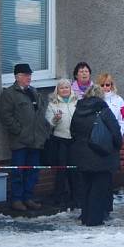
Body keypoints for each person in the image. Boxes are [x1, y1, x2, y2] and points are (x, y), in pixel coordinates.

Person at [0, 63, 51, 212]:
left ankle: (28, 197)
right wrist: (19, 131)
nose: (29, 78)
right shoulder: (9, 94)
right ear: (18, 77)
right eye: (26, 75)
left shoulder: (34, 92)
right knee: (18, 171)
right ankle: (16, 199)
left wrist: (44, 131)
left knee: (33, 171)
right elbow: (5, 116)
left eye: (30, 75)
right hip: (20, 141)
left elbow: (40, 114)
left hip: (36, 140)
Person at [69, 85, 123, 226]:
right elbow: (116, 133)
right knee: (98, 189)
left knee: (86, 188)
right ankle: (94, 220)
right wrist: (116, 147)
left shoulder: (78, 110)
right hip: (102, 157)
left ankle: (85, 217)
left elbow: (72, 132)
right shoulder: (103, 110)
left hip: (82, 157)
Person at [98, 73, 124, 218]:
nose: (105, 87)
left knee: (109, 176)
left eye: (108, 84)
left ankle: (107, 207)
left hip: (112, 143)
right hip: (97, 143)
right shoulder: (96, 100)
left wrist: (118, 135)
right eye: (103, 85)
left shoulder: (119, 100)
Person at [45, 78, 79, 207]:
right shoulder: (53, 104)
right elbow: (49, 123)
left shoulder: (77, 102)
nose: (65, 90)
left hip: (75, 140)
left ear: (70, 89)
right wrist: (56, 118)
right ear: (57, 90)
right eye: (62, 87)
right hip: (60, 139)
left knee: (75, 170)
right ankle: (59, 197)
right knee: (62, 169)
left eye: (67, 87)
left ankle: (76, 197)